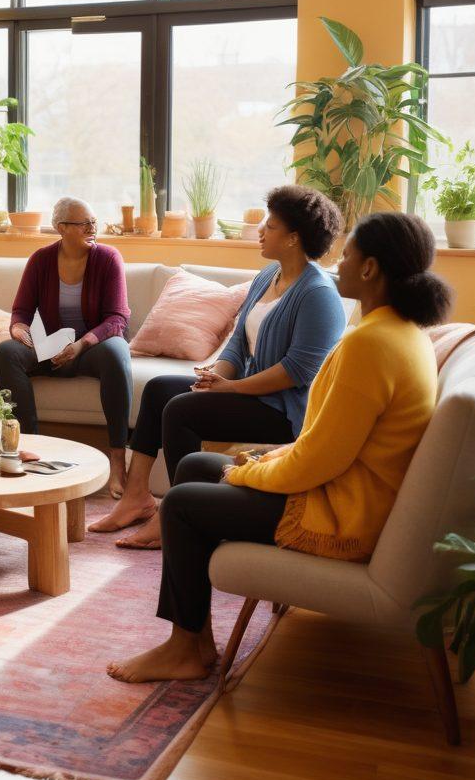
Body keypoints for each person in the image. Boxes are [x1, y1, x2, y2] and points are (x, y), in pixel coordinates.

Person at [106, 212, 452, 684]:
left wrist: (246, 471)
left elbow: (319, 460)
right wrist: (253, 462)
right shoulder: (399, 332)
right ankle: (196, 637)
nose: (340, 263)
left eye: (348, 254)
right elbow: (325, 447)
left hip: (341, 517)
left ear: (370, 269)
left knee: (185, 503)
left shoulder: (371, 344)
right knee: (194, 466)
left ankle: (184, 648)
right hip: (344, 492)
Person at [93, 185, 346, 549]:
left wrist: (229, 389)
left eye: (270, 226)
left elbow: (296, 372)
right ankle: (137, 498)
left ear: (293, 238)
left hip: (285, 410)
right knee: (161, 388)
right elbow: (238, 346)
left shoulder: (318, 294)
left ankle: (176, 514)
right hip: (251, 394)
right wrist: (216, 377)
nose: (261, 231)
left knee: (182, 410)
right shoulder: (266, 278)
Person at [0, 197, 132, 496]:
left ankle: (118, 460)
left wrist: (82, 345)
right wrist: (18, 328)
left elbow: (118, 317)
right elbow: (21, 311)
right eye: (85, 223)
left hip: (90, 349)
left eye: (94, 221)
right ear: (61, 228)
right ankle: (29, 448)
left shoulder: (108, 258)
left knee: (118, 353)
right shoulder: (41, 260)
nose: (93, 228)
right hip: (51, 349)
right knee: (6, 352)